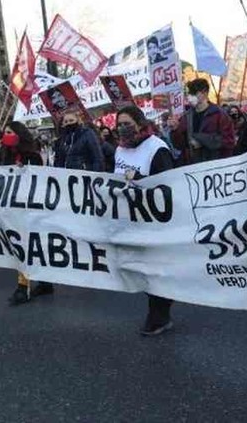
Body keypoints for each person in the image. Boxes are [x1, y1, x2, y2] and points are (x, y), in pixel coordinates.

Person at [112, 105, 176, 335]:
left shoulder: (156, 148)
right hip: (129, 217)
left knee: (154, 267)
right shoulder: (120, 149)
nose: (122, 128)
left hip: (153, 219)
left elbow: (167, 184)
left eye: (127, 123)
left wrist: (139, 179)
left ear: (140, 124)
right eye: (119, 124)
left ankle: (159, 314)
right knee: (140, 267)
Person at [0, 122, 46, 306]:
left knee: (26, 246)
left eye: (9, 132)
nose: (5, 135)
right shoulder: (1, 153)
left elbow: (41, 179)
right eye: (4, 132)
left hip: (29, 208)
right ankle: (46, 283)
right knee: (22, 245)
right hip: (11, 207)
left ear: (19, 134)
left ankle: (23, 287)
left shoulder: (32, 155)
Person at [170, 78, 235, 164]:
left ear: (204, 93)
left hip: (214, 167)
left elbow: (229, 141)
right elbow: (179, 145)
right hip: (194, 166)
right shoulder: (186, 116)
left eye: (194, 93)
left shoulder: (219, 115)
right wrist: (175, 130)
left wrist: (202, 142)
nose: (189, 97)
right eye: (189, 93)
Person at [53, 107, 105, 172]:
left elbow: (97, 157)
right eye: (66, 121)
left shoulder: (87, 133)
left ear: (78, 120)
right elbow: (59, 159)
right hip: (67, 177)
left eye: (71, 120)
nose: (68, 123)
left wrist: (95, 176)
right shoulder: (63, 139)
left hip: (85, 175)